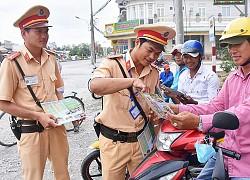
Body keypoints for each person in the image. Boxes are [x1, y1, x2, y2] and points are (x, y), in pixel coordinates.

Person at [166, 17, 250, 179]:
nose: (232, 50)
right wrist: (175, 108)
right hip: (225, 153)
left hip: (245, 163)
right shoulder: (233, 78)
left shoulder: (211, 76)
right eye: (229, 45)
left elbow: (243, 113)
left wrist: (198, 121)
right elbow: (215, 106)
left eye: (238, 44)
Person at [89, 24, 176, 180]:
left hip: (141, 143)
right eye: (149, 50)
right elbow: (95, 86)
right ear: (137, 43)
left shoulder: (154, 72)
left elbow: (155, 103)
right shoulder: (112, 64)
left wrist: (156, 117)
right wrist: (131, 81)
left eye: (157, 54)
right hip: (114, 142)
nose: (152, 57)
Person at [0, 5, 70, 180]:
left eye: (46, 31)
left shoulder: (51, 58)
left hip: (57, 127)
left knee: (63, 174)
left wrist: (69, 111)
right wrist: (38, 116)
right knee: (33, 177)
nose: (44, 36)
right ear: (24, 33)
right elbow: (2, 102)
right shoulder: (12, 63)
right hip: (32, 131)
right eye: (38, 31)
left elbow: (57, 91)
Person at [166, 40, 220, 104]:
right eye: (186, 57)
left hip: (203, 114)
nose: (188, 60)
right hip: (184, 112)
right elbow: (180, 103)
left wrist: (195, 103)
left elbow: (214, 104)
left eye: (192, 57)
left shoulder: (210, 76)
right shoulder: (183, 76)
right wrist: (173, 96)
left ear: (200, 56)